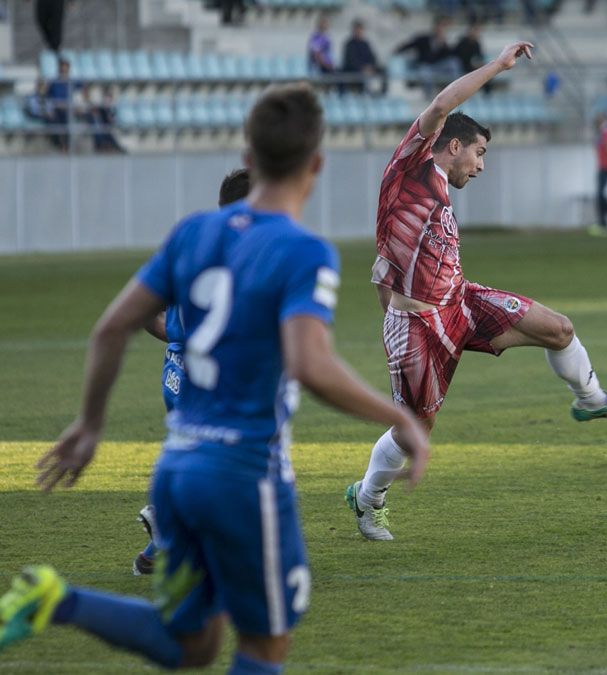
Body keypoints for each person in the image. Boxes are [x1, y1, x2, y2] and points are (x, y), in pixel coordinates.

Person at [0, 83, 430, 671]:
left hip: (177, 473)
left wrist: (89, 426)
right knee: (264, 645)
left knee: (192, 643)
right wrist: (398, 414)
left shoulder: (191, 234)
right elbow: (310, 363)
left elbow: (109, 329)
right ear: (317, 165)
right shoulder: (304, 251)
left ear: (248, 161)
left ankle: (58, 599)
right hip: (245, 478)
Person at [346, 41, 607, 541]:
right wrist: (498, 66)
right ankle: (368, 496)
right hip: (418, 324)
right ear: (453, 145)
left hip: (461, 301)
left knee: (559, 329)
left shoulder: (438, 188)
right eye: (479, 153)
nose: (481, 166)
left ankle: (590, 398)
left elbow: (396, 260)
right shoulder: (410, 167)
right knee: (414, 431)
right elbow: (441, 106)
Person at [131, 167, 252, 577]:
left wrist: (177, 339)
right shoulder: (246, 255)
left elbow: (143, 310)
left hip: (177, 371)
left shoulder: (189, 243)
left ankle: (154, 553)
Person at [394, 16, 459, 98]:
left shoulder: (444, 43)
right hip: (424, 66)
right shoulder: (424, 39)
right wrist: (396, 51)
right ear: (435, 27)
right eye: (441, 27)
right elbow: (410, 44)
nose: (442, 30)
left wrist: (444, 45)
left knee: (453, 63)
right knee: (426, 72)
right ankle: (429, 96)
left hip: (437, 67)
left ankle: (454, 91)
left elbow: (450, 55)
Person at [341, 19, 384, 95]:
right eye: (357, 30)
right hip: (354, 69)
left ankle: (381, 93)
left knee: (383, 70)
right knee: (358, 73)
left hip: (367, 69)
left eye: (360, 29)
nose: (359, 32)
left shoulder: (365, 44)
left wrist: (371, 67)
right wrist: (362, 68)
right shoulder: (349, 44)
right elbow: (351, 60)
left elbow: (372, 57)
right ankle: (361, 93)